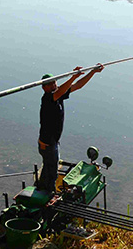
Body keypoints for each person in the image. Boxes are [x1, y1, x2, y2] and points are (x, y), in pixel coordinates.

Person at [36, 64, 104, 193]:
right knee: (52, 172)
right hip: (48, 145)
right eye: (49, 84)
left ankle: (41, 187)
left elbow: (78, 85)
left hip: (52, 142)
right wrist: (72, 76)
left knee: (48, 168)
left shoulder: (58, 95)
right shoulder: (48, 98)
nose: (53, 85)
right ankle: (49, 194)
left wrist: (92, 72)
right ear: (43, 87)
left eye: (54, 83)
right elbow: (61, 90)